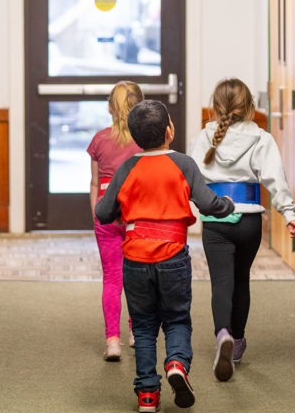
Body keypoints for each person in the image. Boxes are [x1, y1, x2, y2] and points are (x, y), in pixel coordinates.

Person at [96, 100, 235, 412]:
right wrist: (228, 204)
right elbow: (209, 204)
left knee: (144, 326)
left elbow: (103, 212)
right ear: (169, 130)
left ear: (134, 136)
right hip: (172, 256)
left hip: (135, 257)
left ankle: (147, 394)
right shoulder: (183, 164)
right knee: (176, 318)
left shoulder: (128, 167)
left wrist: (122, 205)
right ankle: (176, 364)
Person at [188, 78, 295, 382]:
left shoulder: (205, 137)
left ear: (215, 107)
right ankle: (237, 342)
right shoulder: (262, 138)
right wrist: (289, 214)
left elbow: (189, 179)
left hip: (215, 220)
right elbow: (275, 180)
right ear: (250, 107)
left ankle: (222, 333)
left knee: (221, 282)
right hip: (250, 221)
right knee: (241, 280)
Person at [87, 81, 144, 362]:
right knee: (137, 276)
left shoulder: (99, 140)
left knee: (112, 277)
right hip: (137, 212)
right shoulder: (145, 141)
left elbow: (95, 183)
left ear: (110, 107)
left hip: (106, 211)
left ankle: (112, 341)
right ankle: (136, 332)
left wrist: (96, 214)